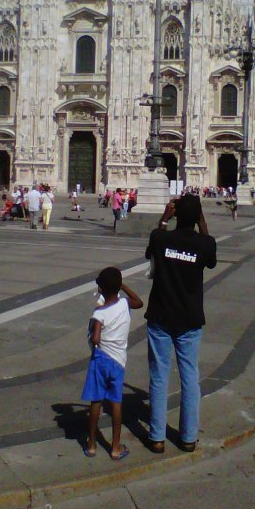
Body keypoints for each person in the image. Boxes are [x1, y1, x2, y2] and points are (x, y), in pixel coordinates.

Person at [144, 194, 217, 454]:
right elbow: (210, 255)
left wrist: (164, 219)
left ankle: (157, 438)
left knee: (159, 377)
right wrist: (202, 222)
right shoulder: (204, 244)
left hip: (161, 318)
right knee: (190, 378)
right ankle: (187, 437)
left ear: (175, 215)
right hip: (189, 319)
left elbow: (151, 247)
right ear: (197, 217)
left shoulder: (160, 238)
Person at [81, 267, 143, 460]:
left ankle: (91, 445)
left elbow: (96, 338)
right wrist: (122, 285)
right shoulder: (125, 304)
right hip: (118, 361)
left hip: (101, 359)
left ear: (100, 288)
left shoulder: (99, 312)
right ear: (118, 287)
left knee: (96, 401)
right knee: (116, 403)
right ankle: (115, 448)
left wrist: (94, 337)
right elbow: (139, 302)